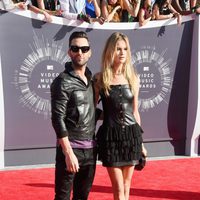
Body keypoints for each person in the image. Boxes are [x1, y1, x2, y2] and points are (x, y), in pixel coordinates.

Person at [93, 32, 147, 200]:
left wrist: (141, 144)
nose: (122, 53)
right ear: (110, 51)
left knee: (126, 186)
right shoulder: (100, 79)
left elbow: (135, 111)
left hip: (132, 136)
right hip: (111, 138)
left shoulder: (133, 78)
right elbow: (92, 111)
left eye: (125, 49)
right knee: (117, 188)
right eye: (118, 49)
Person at [51, 31, 97, 200]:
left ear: (90, 52)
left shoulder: (92, 80)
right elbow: (57, 119)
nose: (80, 52)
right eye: (75, 48)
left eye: (84, 49)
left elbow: (89, 112)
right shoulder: (62, 81)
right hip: (71, 150)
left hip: (91, 151)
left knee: (82, 197)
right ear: (69, 51)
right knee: (62, 198)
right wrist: (68, 153)